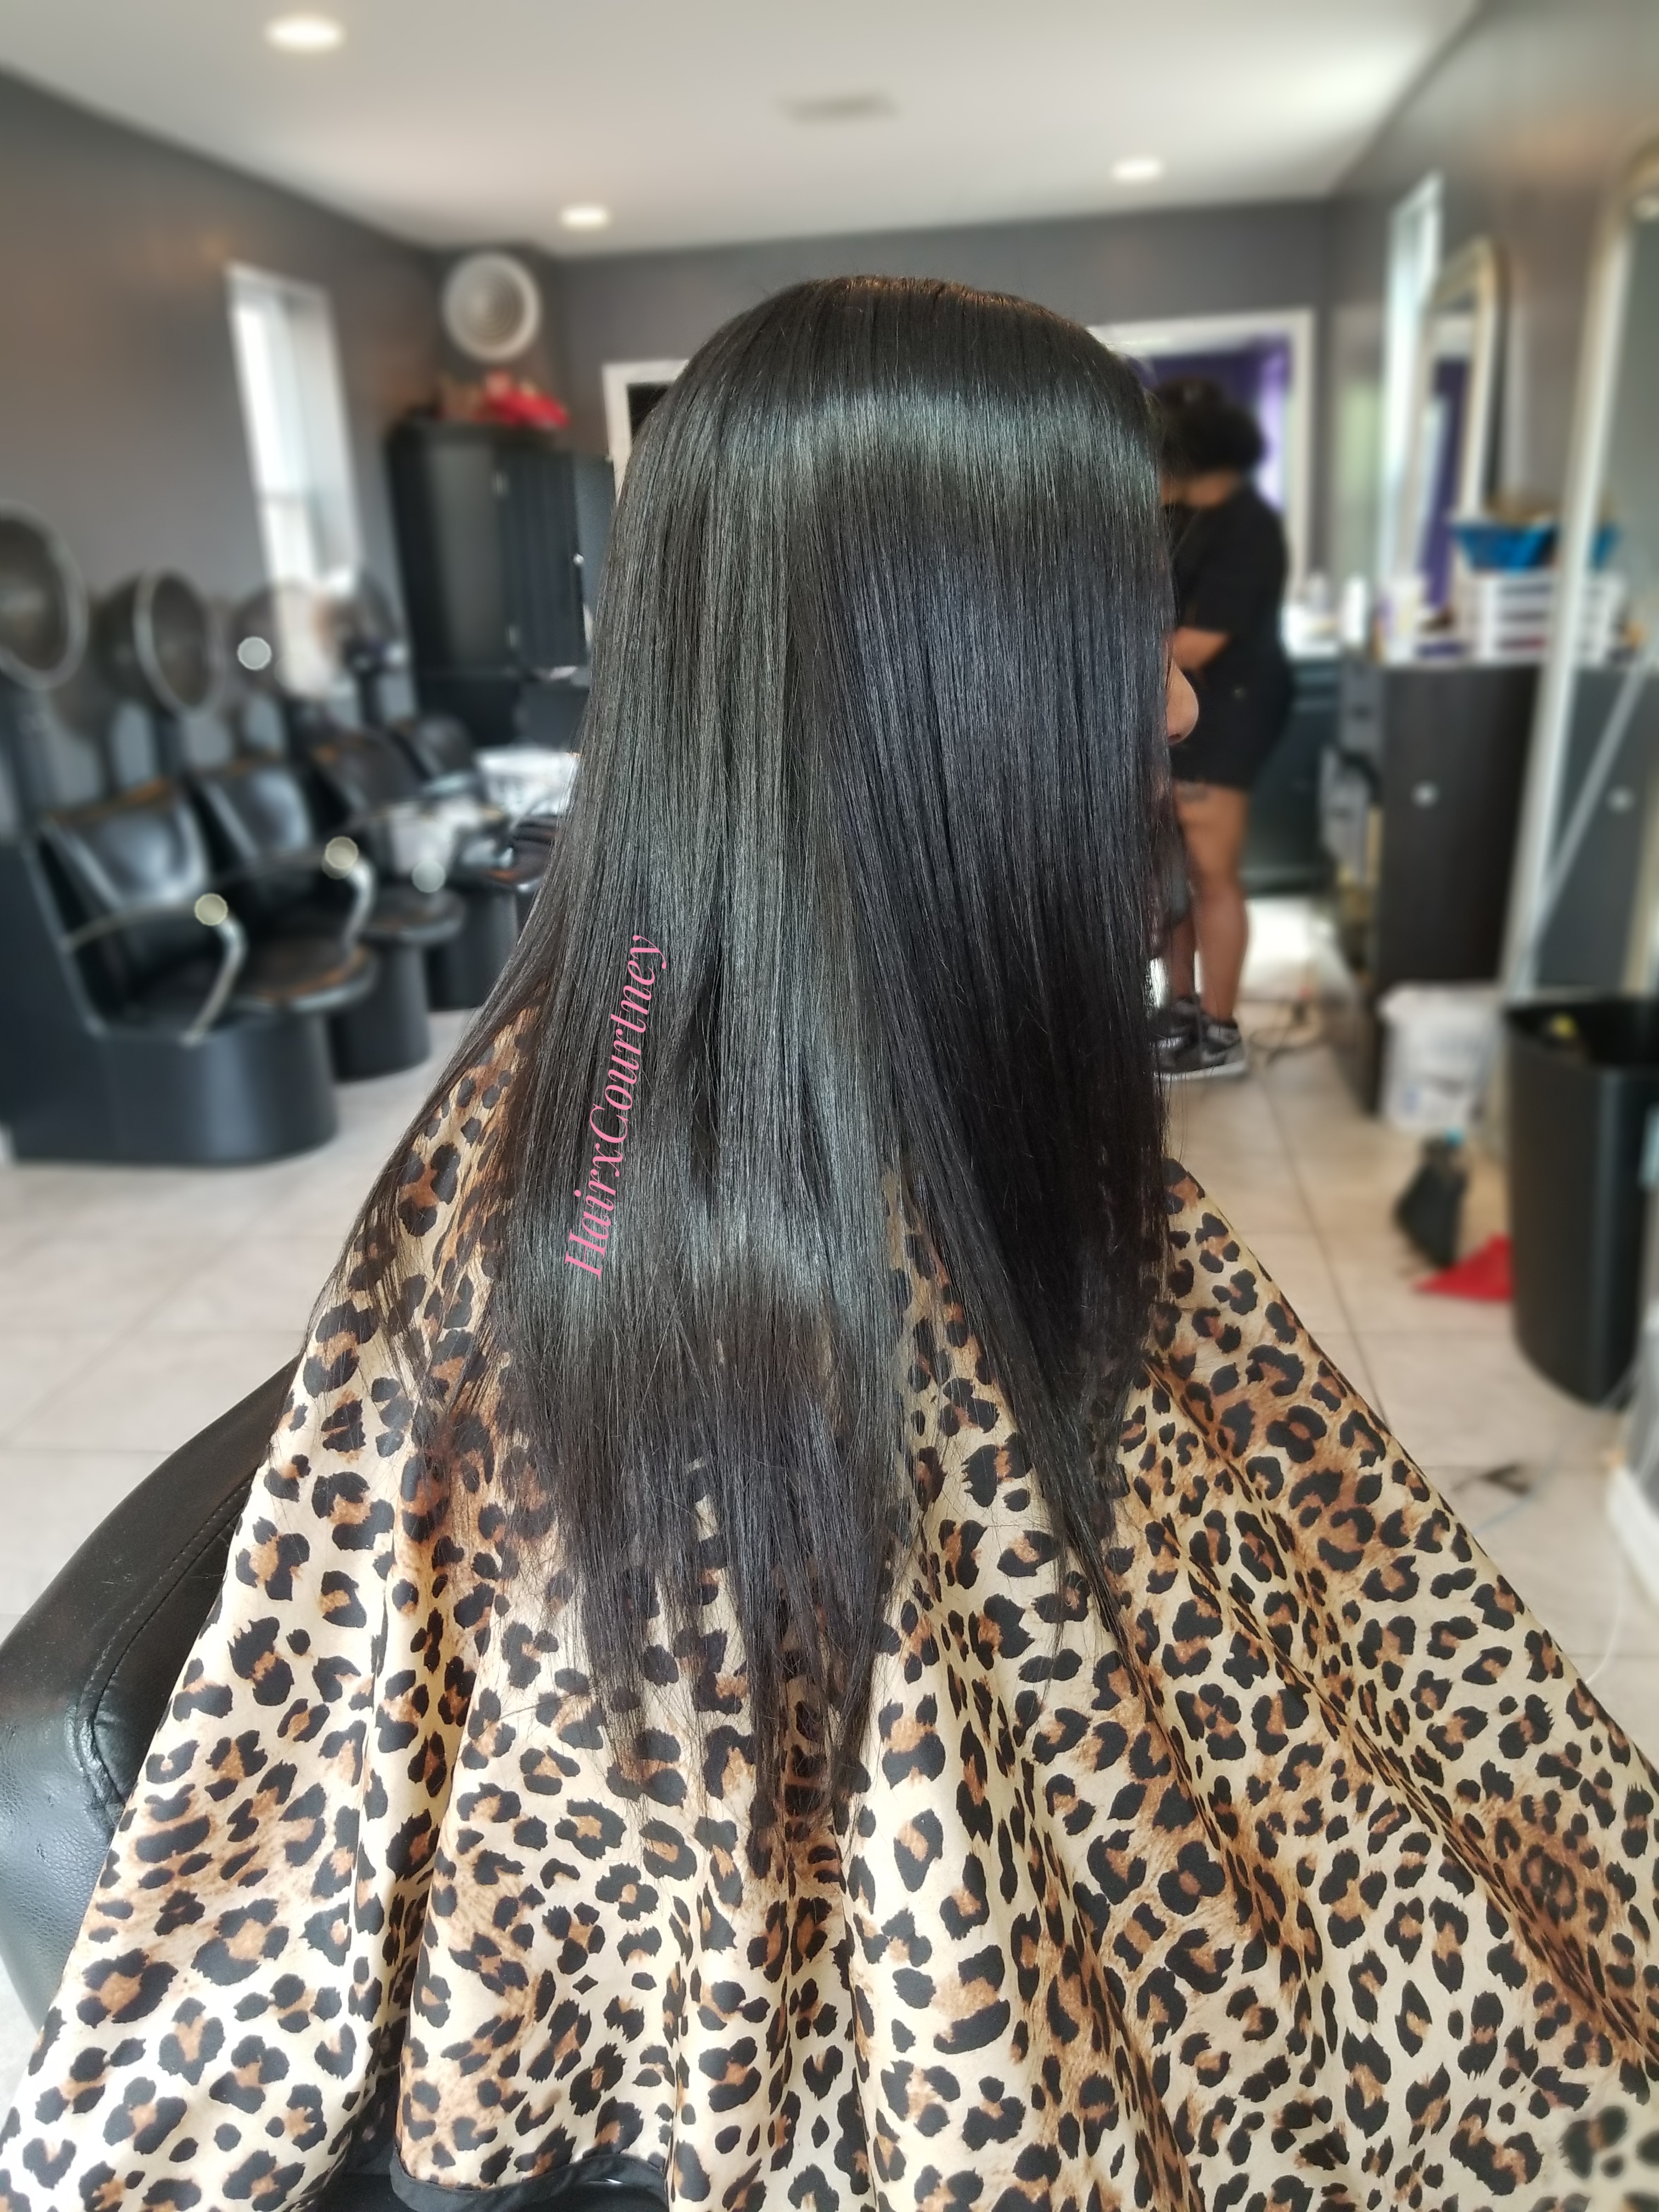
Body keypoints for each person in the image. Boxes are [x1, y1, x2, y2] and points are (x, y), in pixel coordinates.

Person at [3, 279, 1657, 2212]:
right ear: (918, 676)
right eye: (1107, 631)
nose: (1180, 695)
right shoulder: (690, 1254)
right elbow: (913, 2008)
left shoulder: (846, 1063)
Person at [1154, 376, 1293, 1081]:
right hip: (1177, 706)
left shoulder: (1248, 528)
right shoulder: (1179, 517)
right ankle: (1178, 1007)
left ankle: (1220, 1029)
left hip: (1231, 707)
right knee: (1172, 865)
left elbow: (1197, 645)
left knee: (1211, 868)